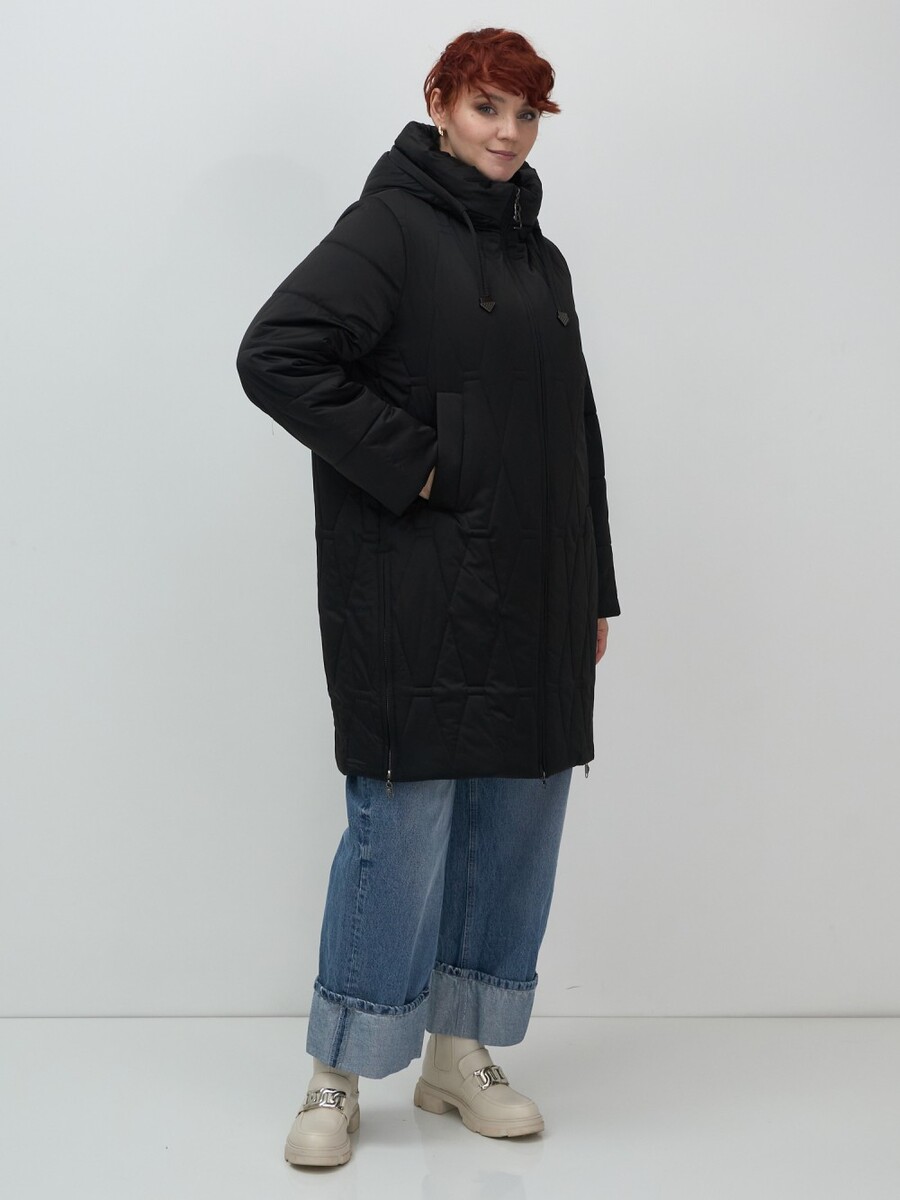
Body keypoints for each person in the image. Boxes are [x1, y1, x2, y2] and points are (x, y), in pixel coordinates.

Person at [236, 26, 620, 1168]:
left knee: (519, 816)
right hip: (417, 581)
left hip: (539, 584)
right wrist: (424, 465)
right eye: (488, 107)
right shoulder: (390, 227)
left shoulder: (540, 258)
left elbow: (576, 431)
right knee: (400, 824)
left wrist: (596, 585)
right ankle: (339, 1070)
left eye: (526, 114)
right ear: (442, 102)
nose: (509, 133)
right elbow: (278, 353)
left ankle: (462, 1051)